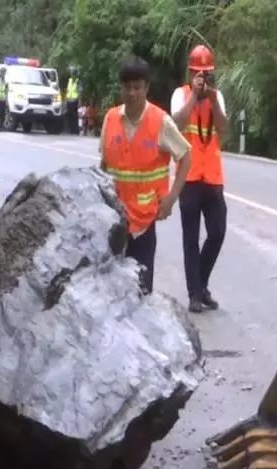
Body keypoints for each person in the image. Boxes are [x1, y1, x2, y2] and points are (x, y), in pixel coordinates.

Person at [99, 56, 192, 294]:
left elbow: (185, 156)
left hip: (143, 222)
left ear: (146, 88)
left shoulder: (161, 121)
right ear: (121, 88)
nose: (132, 93)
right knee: (110, 292)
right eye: (127, 87)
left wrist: (171, 198)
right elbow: (103, 165)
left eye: (137, 87)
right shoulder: (110, 119)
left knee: (141, 294)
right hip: (111, 222)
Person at [170, 45, 228, 313]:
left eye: (207, 74)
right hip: (189, 177)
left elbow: (224, 130)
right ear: (190, 72)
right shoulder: (180, 95)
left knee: (217, 233)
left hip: (213, 178)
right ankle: (195, 294)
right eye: (198, 73)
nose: (203, 78)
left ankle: (200, 283)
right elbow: (177, 125)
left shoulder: (218, 97)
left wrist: (213, 100)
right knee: (190, 239)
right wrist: (194, 96)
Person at [66, 66, 81, 134]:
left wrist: (80, 101)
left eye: (73, 74)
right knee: (70, 116)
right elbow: (68, 90)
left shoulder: (78, 81)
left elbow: (80, 92)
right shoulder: (70, 80)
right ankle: (71, 129)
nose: (72, 75)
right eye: (72, 74)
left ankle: (75, 130)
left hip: (75, 101)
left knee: (75, 116)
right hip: (69, 100)